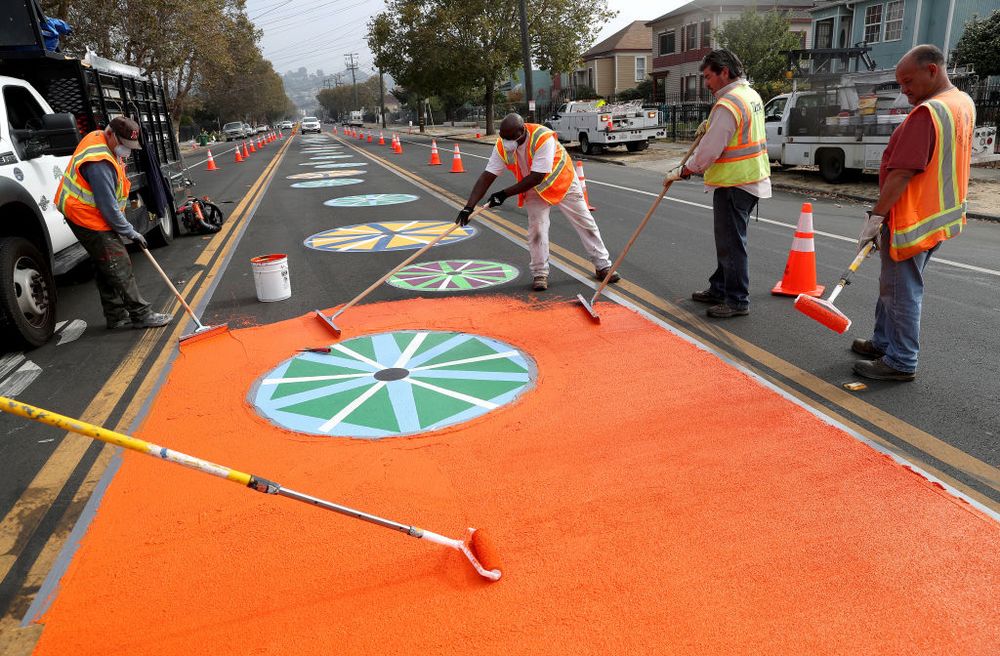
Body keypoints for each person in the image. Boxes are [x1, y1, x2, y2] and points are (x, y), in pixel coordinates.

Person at [851, 45, 974, 382]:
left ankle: (901, 360)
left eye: (907, 82)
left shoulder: (927, 113)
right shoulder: (962, 103)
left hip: (912, 219)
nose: (903, 90)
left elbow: (901, 173)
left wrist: (876, 218)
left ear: (931, 70)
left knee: (900, 290)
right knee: (893, 285)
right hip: (939, 215)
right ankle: (883, 342)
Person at [456, 113, 619, 291]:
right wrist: (468, 207)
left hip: (562, 182)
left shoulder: (542, 138)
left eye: (510, 138)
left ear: (521, 131)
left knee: (585, 223)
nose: (507, 142)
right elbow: (487, 176)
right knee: (537, 229)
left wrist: (503, 194)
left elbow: (538, 176)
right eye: (504, 138)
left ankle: (603, 266)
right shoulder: (502, 146)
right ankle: (540, 273)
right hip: (533, 187)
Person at [666, 49, 770, 318]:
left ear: (725, 72)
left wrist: (685, 169)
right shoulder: (750, 95)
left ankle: (737, 300)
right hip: (750, 179)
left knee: (732, 243)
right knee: (729, 241)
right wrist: (711, 125)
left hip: (734, 183)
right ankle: (720, 287)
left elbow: (711, 150)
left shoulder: (728, 104)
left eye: (709, 76)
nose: (706, 83)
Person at [54, 116, 172, 330]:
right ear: (110, 134)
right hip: (86, 215)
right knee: (118, 262)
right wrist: (130, 232)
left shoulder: (100, 140)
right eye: (124, 145)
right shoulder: (99, 162)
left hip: (90, 212)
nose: (127, 151)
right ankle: (141, 314)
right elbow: (107, 206)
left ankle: (116, 315)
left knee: (105, 264)